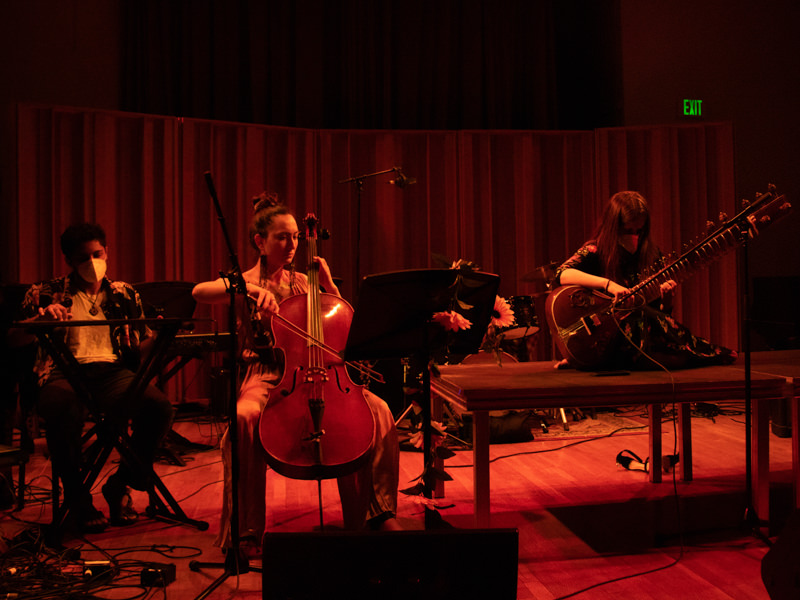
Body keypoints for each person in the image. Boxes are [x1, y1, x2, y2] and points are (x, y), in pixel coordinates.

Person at [192, 193, 400, 557]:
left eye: (295, 237)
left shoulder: (305, 282)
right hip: (266, 375)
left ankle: (375, 514)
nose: (291, 245)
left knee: (378, 410)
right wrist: (251, 290)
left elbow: (339, 328)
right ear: (260, 241)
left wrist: (332, 289)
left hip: (317, 372)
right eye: (282, 237)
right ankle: (245, 531)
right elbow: (199, 291)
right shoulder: (241, 282)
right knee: (242, 419)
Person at [16, 223, 174, 533]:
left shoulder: (123, 293)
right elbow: (11, 340)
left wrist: (160, 336)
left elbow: (140, 346)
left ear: (107, 252)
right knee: (62, 409)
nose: (91, 262)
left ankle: (122, 482)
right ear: (69, 261)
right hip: (62, 370)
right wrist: (40, 319)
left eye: (97, 254)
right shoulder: (44, 292)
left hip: (112, 372)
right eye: (82, 257)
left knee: (158, 408)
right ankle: (78, 497)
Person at [552, 190, 737, 370]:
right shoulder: (596, 251)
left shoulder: (652, 254)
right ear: (614, 227)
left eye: (638, 231)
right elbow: (562, 274)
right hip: (611, 339)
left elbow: (658, 316)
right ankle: (587, 358)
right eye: (627, 230)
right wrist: (609, 285)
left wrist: (667, 300)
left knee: (679, 356)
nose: (634, 237)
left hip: (642, 337)